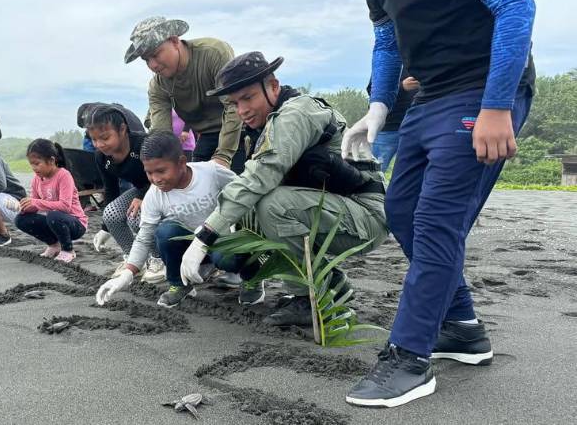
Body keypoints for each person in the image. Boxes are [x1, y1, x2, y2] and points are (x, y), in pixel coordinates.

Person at [306, 0, 536, 407]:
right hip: (430, 97)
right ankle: (461, 327)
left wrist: (496, 106)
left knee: (437, 220)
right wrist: (379, 107)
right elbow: (387, 40)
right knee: (404, 212)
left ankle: (409, 357)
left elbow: (517, 7)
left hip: (483, 91)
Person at [177, 52, 388, 316]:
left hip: (365, 214)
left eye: (248, 97)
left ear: (273, 86)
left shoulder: (294, 114)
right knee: (255, 210)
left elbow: (260, 176)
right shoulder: (266, 123)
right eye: (234, 103)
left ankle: (315, 300)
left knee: (271, 205)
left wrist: (205, 237)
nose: (242, 110)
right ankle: (332, 285)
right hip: (337, 207)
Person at [95, 132, 241, 308]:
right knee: (164, 232)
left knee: (227, 258)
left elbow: (244, 191)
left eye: (161, 171)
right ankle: (179, 285)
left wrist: (237, 227)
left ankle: (251, 279)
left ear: (181, 162)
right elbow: (144, 237)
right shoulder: (154, 195)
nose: (156, 179)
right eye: (149, 172)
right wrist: (127, 274)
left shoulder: (210, 172)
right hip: (190, 248)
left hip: (224, 239)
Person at [124, 16, 247, 173]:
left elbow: (233, 105)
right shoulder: (158, 86)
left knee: (234, 185)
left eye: (155, 54)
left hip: (241, 128)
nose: (152, 65)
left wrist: (223, 156)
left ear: (175, 41)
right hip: (207, 135)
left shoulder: (213, 54)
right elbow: (162, 134)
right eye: (146, 60)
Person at [85, 105, 166, 284]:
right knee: (111, 213)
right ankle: (133, 260)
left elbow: (163, 174)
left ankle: (159, 259)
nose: (99, 145)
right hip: (141, 191)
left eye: (105, 137)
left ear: (122, 129)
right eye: (94, 140)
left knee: (136, 216)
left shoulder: (144, 144)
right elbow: (111, 189)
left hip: (165, 188)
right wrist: (105, 228)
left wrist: (144, 196)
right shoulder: (101, 157)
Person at [14, 139, 88, 263]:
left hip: (75, 223)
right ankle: (54, 245)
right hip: (54, 222)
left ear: (52, 161)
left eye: (37, 163)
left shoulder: (64, 176)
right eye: (31, 164)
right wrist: (25, 206)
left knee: (54, 215)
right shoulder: (37, 180)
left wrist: (36, 202)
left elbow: (65, 206)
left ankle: (68, 250)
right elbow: (36, 206)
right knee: (21, 219)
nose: (34, 168)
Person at [366, 69, 419, 172]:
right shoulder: (390, 59)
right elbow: (372, 90)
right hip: (387, 127)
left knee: (412, 173)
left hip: (417, 127)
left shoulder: (425, 60)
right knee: (374, 171)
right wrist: (402, 86)